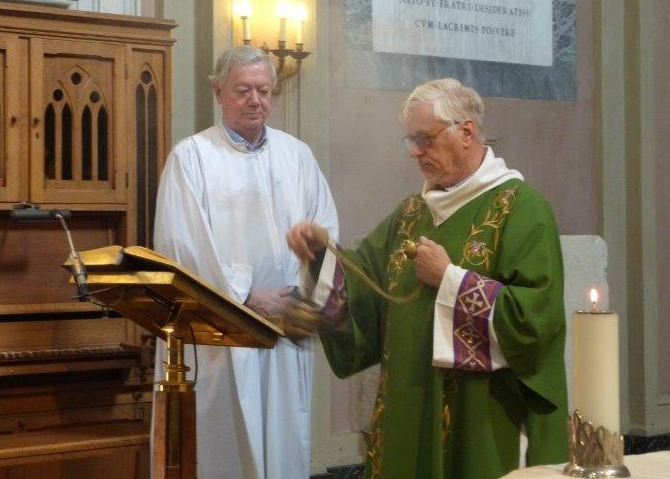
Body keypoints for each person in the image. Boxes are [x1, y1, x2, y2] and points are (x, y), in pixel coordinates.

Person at [287, 78, 568, 479]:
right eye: (411, 140)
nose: (415, 152)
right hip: (407, 406)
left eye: (425, 139)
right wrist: (320, 255)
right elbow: (365, 284)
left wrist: (451, 280)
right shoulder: (412, 213)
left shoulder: (521, 208)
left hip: (480, 419)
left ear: (465, 132)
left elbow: (536, 322)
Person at [153, 45, 338, 479]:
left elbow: (326, 229)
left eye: (263, 91)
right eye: (243, 90)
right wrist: (245, 296)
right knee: (225, 451)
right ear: (218, 92)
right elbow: (181, 246)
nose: (255, 100)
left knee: (283, 445)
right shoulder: (192, 157)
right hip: (223, 334)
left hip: (283, 329)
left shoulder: (297, 156)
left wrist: (305, 277)